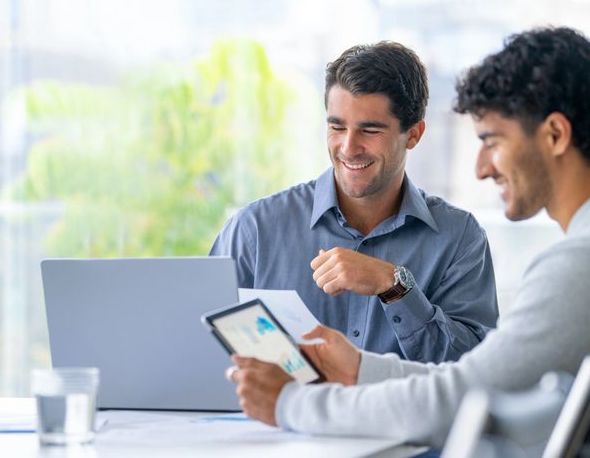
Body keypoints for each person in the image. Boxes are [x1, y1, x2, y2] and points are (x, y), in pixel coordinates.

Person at [227, 27, 590, 456]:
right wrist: (359, 369)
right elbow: (477, 384)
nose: (481, 167)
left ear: (556, 135)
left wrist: (292, 402)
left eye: (493, 141)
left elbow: (467, 402)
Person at [210, 41, 498, 363]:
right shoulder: (255, 231)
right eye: (336, 127)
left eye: (369, 130)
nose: (348, 147)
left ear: (414, 134)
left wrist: (395, 288)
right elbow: (201, 350)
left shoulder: (459, 239)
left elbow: (474, 370)